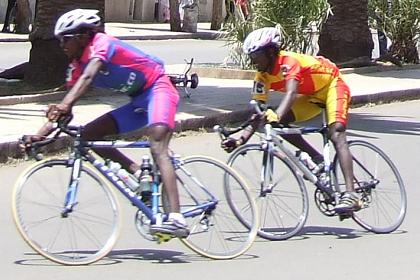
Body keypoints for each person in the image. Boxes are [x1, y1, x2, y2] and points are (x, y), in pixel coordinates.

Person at [20, 9, 189, 238]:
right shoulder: (76, 65)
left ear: (82, 36)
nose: (61, 45)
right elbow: (65, 107)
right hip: (138, 101)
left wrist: (65, 105)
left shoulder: (102, 43)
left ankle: (177, 218)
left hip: (159, 89)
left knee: (157, 146)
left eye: (65, 39)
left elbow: (89, 77)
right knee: (87, 136)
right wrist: (40, 135)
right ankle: (139, 174)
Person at [221, 27, 361, 214]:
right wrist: (241, 140)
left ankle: (351, 194)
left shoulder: (288, 62)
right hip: (312, 96)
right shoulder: (261, 76)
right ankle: (316, 157)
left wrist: (277, 113)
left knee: (336, 133)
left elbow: (292, 92)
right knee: (275, 123)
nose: (252, 61)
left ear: (271, 52)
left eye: (255, 55)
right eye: (250, 56)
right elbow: (257, 111)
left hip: (333, 86)